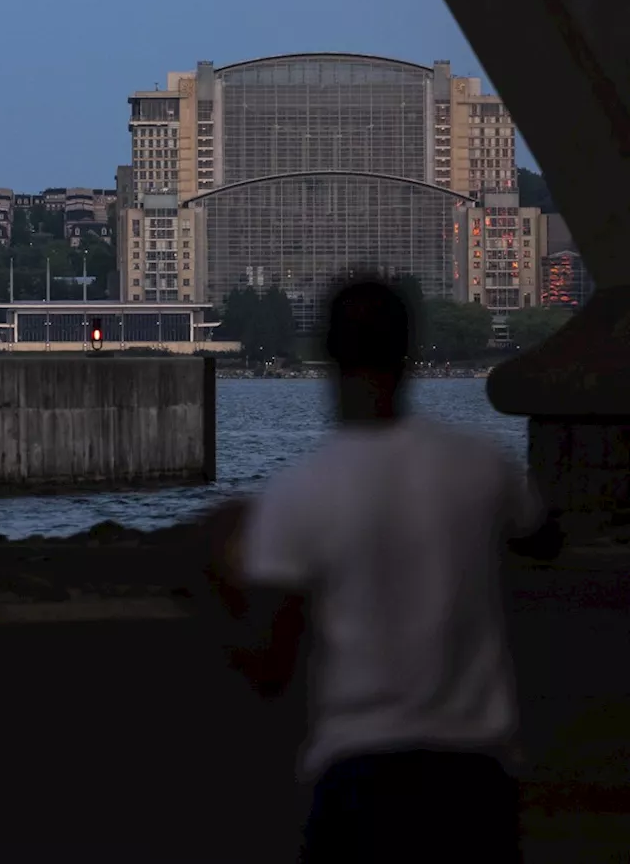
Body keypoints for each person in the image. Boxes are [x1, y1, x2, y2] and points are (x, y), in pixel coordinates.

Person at [229, 277, 562, 863]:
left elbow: (270, 666)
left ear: (327, 354)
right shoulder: (483, 466)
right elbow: (543, 538)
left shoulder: (299, 492)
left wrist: (213, 580)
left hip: (359, 765)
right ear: (409, 351)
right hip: (475, 770)